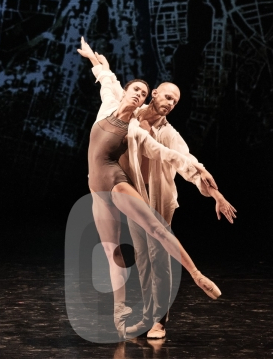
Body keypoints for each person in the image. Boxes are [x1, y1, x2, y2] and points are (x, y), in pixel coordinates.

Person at [78, 38, 236, 339]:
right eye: (167, 96)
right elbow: (108, 81)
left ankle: (162, 317)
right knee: (142, 260)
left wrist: (214, 192)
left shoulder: (165, 134)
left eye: (175, 101)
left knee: (160, 254)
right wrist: (94, 60)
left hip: (156, 198)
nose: (170, 103)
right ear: (154, 94)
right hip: (131, 191)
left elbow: (181, 160)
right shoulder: (127, 112)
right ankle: (143, 315)